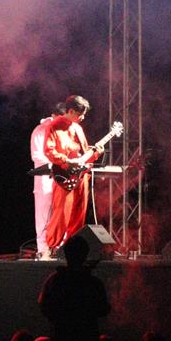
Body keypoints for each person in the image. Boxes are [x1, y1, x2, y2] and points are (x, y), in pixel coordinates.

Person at [37, 231, 110, 341]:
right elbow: (104, 309)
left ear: (65, 254)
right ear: (85, 255)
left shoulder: (55, 280)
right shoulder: (93, 282)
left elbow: (43, 306)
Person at [40, 95, 101, 255]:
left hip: (81, 176)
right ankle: (51, 249)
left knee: (79, 214)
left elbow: (84, 154)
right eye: (80, 114)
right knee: (62, 213)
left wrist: (95, 153)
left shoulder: (78, 128)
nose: (83, 118)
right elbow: (49, 151)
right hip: (65, 176)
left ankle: (73, 250)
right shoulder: (54, 126)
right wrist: (66, 160)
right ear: (71, 111)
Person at [29, 110, 57, 259]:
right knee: (44, 217)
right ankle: (43, 251)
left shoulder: (64, 131)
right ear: (55, 116)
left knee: (59, 216)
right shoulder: (40, 131)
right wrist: (58, 163)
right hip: (45, 180)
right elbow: (37, 156)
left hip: (61, 181)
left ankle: (60, 249)